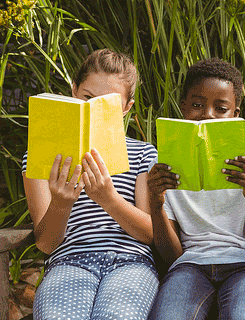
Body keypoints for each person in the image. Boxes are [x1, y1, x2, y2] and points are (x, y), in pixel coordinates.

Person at [23, 49, 158, 320]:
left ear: (126, 108)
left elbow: (151, 234)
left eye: (108, 103)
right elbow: (46, 244)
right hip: (68, 262)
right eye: (87, 97)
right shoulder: (40, 156)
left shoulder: (144, 153)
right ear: (74, 91)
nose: (94, 106)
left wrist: (109, 199)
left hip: (131, 263)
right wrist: (62, 203)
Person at [146, 57, 245, 320]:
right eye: (196, 105)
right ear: (182, 108)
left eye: (221, 108)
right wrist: (156, 203)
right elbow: (172, 256)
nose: (207, 114)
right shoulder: (163, 166)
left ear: (235, 115)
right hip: (189, 266)